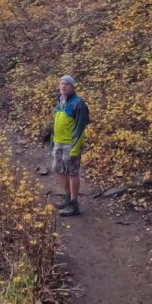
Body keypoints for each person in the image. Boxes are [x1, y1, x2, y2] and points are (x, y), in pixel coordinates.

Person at [50, 75, 89, 217]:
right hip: (58, 143)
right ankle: (67, 197)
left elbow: (80, 127)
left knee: (72, 173)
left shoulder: (78, 104)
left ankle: (74, 204)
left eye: (66, 84)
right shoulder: (60, 101)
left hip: (70, 144)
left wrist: (75, 148)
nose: (63, 86)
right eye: (61, 83)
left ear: (72, 87)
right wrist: (52, 142)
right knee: (59, 170)